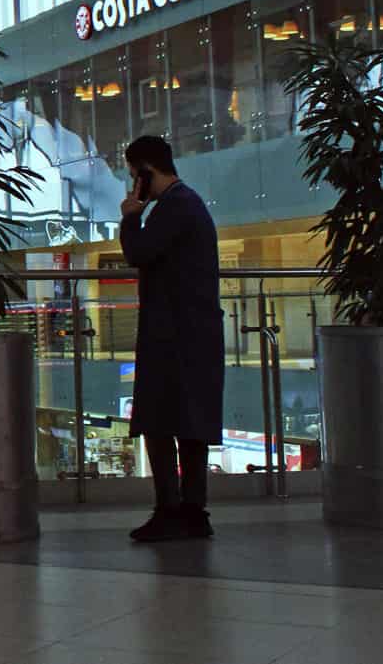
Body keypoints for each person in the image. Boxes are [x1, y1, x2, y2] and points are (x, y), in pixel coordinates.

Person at [118, 135, 224, 543]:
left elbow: (138, 252)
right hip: (193, 331)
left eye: (134, 175)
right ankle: (193, 511)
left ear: (146, 171)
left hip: (172, 334)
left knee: (159, 420)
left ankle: (170, 509)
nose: (133, 184)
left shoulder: (174, 207)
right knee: (190, 423)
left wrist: (131, 216)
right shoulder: (188, 203)